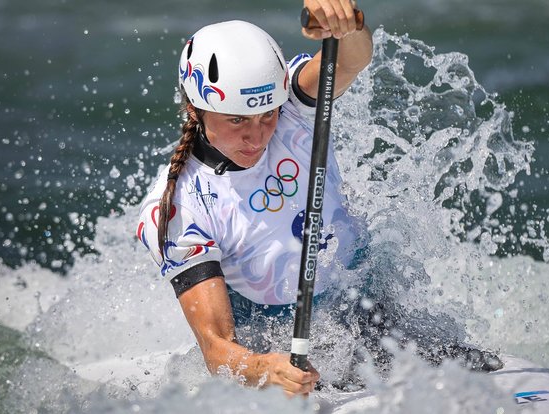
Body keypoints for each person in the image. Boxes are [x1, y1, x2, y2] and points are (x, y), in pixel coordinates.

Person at [136, 1, 373, 397]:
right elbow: (216, 350)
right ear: (197, 110)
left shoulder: (294, 107)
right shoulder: (179, 207)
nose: (258, 136)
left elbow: (353, 59)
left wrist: (348, 24)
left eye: (267, 115)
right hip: (276, 344)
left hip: (368, 302)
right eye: (236, 120)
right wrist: (265, 367)